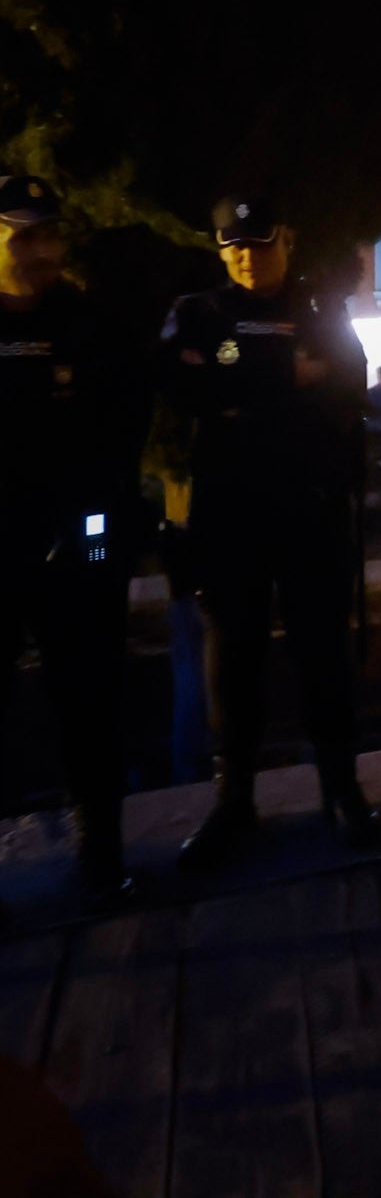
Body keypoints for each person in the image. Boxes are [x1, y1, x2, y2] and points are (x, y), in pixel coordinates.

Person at [161, 193, 376, 867]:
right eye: (234, 247)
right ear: (219, 249)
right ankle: (234, 802)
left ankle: (342, 789)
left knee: (324, 657)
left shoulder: (319, 309)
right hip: (230, 519)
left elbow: (351, 382)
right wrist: (288, 373)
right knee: (234, 661)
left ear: (287, 239)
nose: (248, 258)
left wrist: (234, 380)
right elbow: (177, 387)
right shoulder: (196, 312)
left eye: (259, 243)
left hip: (310, 512)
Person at [0, 175, 141, 900]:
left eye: (49, 234)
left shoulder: (86, 323)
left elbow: (119, 441)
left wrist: (98, 544)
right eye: (23, 236)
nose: (41, 250)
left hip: (75, 552)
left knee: (90, 703)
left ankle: (100, 854)